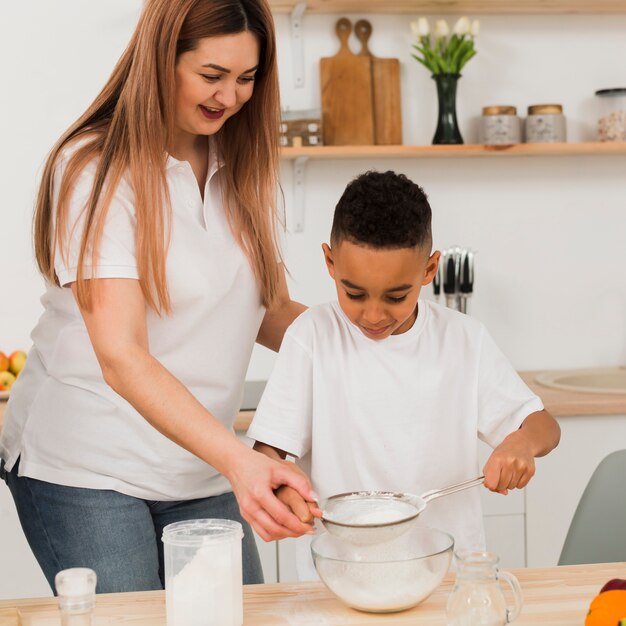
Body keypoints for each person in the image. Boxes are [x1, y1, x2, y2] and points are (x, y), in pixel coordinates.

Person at [0, 0, 319, 593]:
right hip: (88, 467)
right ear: (159, 60)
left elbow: (266, 310)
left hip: (198, 468)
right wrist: (241, 461)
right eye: (212, 75)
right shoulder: (96, 171)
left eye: (247, 78)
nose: (230, 96)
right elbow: (122, 356)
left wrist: (370, 337)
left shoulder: (236, 165)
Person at [248, 170, 561, 580]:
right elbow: (267, 454)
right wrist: (283, 490)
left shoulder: (463, 340)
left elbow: (543, 426)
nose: (373, 315)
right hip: (338, 577)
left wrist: (521, 443)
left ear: (430, 270)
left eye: (396, 296)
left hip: (445, 576)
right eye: (354, 293)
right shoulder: (312, 337)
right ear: (329, 261)